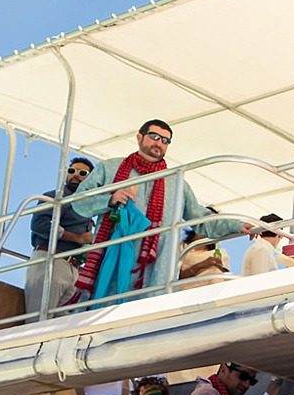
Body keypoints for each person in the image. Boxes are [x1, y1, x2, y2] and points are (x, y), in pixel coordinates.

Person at [65, 119, 252, 305]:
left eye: (165, 141)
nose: (159, 143)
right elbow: (80, 201)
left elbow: (201, 219)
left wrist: (239, 226)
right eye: (154, 137)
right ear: (139, 137)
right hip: (114, 261)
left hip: (155, 270)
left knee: (148, 316)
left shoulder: (176, 182)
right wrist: (109, 199)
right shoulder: (110, 168)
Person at [27, 156, 95, 315]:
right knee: (39, 318)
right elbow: (40, 224)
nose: (76, 175)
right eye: (72, 171)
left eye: (82, 173)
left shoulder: (87, 207)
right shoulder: (56, 197)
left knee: (63, 324)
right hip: (51, 260)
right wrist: (77, 238)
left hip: (74, 268)